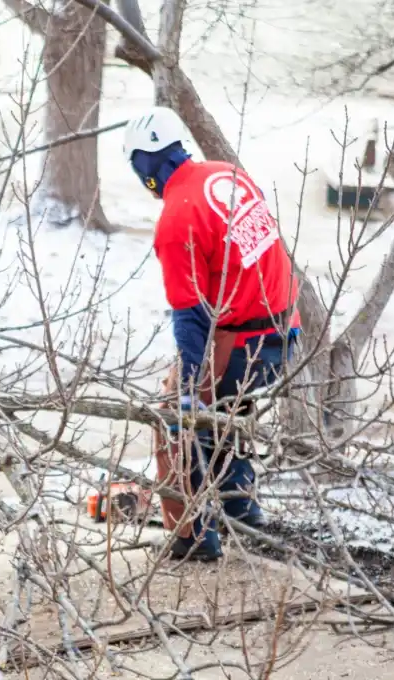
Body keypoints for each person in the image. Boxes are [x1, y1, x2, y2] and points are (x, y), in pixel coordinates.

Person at [122, 106, 301, 561]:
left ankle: (192, 538)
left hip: (243, 338)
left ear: (145, 163)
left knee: (175, 423)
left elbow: (189, 315)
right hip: (285, 330)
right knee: (229, 405)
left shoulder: (177, 217)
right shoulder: (228, 175)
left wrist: (187, 392)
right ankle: (242, 510)